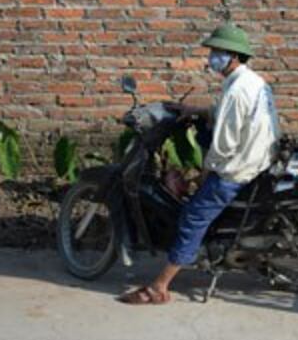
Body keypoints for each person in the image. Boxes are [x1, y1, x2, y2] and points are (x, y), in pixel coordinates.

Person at [119, 23, 280, 304]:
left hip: (238, 167)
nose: (212, 58)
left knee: (192, 217)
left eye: (217, 52)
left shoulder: (235, 91)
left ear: (233, 57)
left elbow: (225, 144)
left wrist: (205, 174)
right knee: (203, 128)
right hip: (259, 155)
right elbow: (227, 117)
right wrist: (196, 111)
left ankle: (159, 287)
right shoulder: (251, 81)